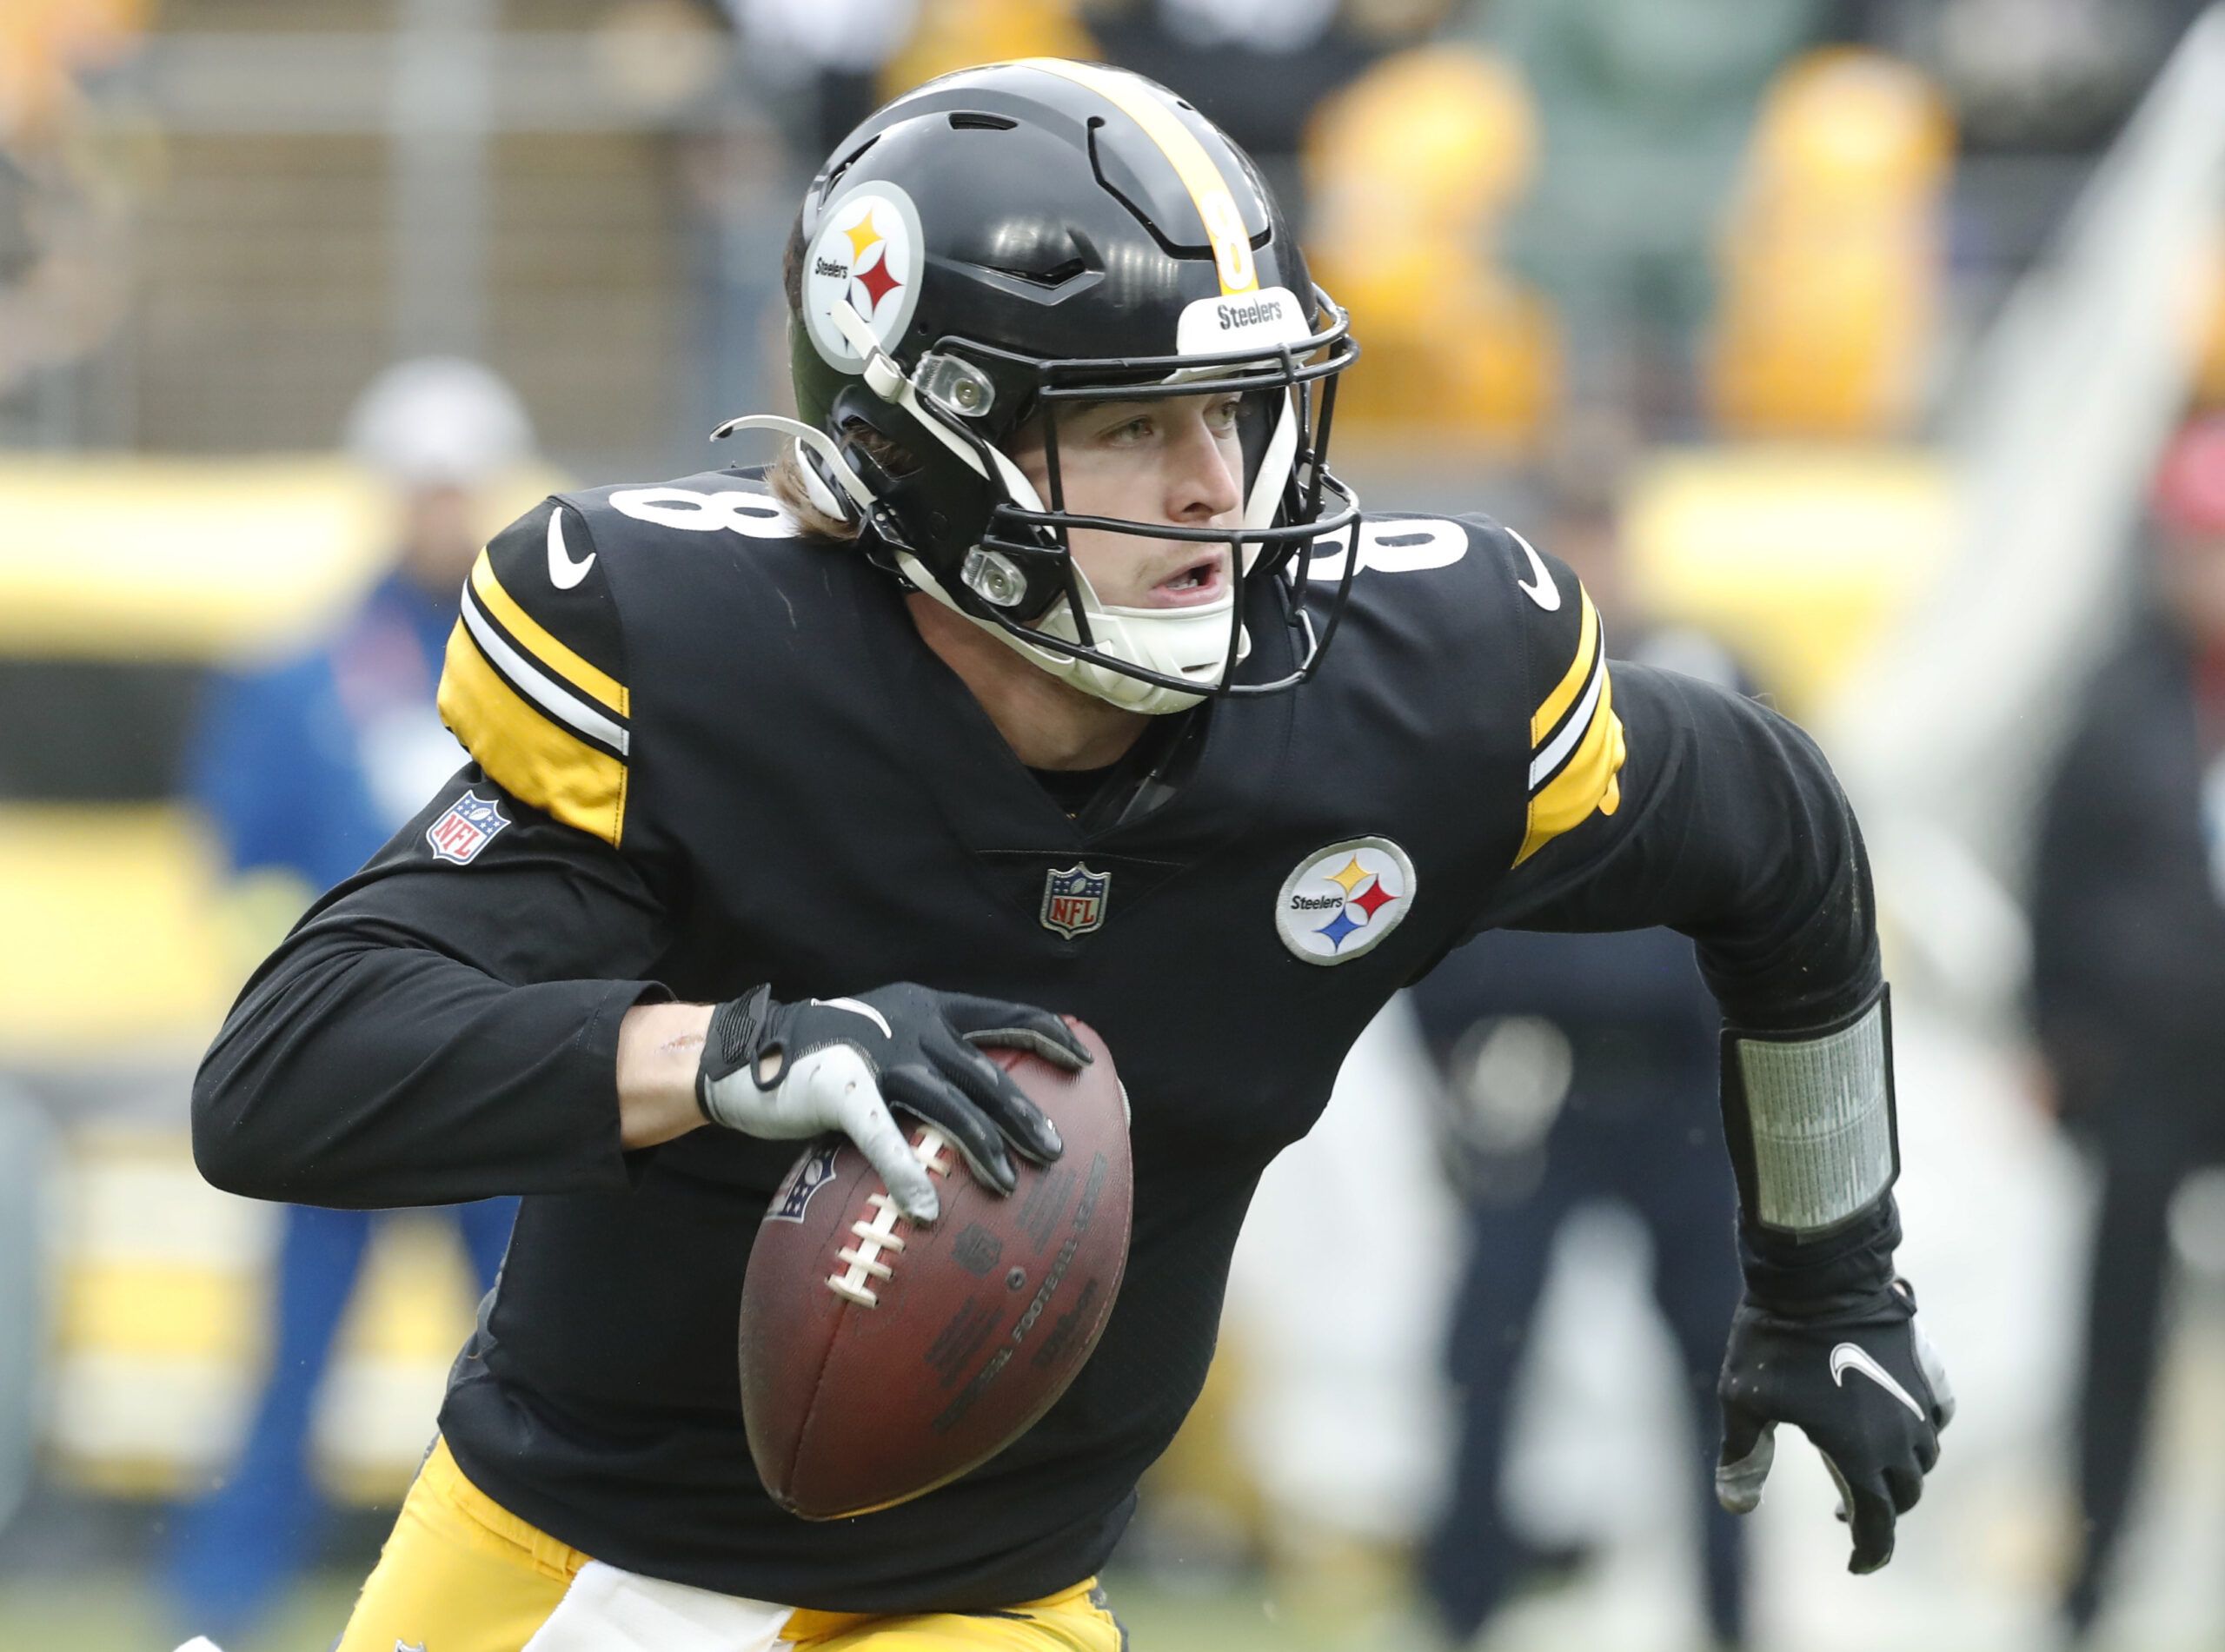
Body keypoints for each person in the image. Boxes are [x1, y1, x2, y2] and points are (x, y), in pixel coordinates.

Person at [189, 61, 1950, 1652]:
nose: (1214, 486)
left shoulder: (1404, 698)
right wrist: (733, 1052)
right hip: (570, 1563)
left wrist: (1827, 1272)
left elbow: (1776, 839)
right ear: (918, 451)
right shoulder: (709, 676)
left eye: (1240, 410)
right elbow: (281, 1076)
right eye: (1127, 422)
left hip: (995, 1598)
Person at [167, 359, 534, 1639]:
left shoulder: (546, 675)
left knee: (539, 1361)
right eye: (423, 485)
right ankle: (217, 1607)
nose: (441, 508)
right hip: (351, 1073)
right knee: (292, 1370)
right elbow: (238, 867)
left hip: (498, 1068)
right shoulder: (297, 678)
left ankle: (558, 1597)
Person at [1405, 430, 1756, 1650]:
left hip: (1675, 1091)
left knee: (1721, 1373)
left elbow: (1787, 880)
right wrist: (1453, 1059)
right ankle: (1462, 1607)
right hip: (1532, 1086)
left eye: (1602, 527)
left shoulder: (1711, 678)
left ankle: (1728, 1613)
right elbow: (1417, 892)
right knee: (1485, 1361)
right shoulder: (1475, 699)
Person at [2030, 411, 2225, 1643]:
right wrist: (2058, 1034)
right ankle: (2092, 1576)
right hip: (2150, 1063)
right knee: (2117, 1335)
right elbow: (2060, 871)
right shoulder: (2120, 698)